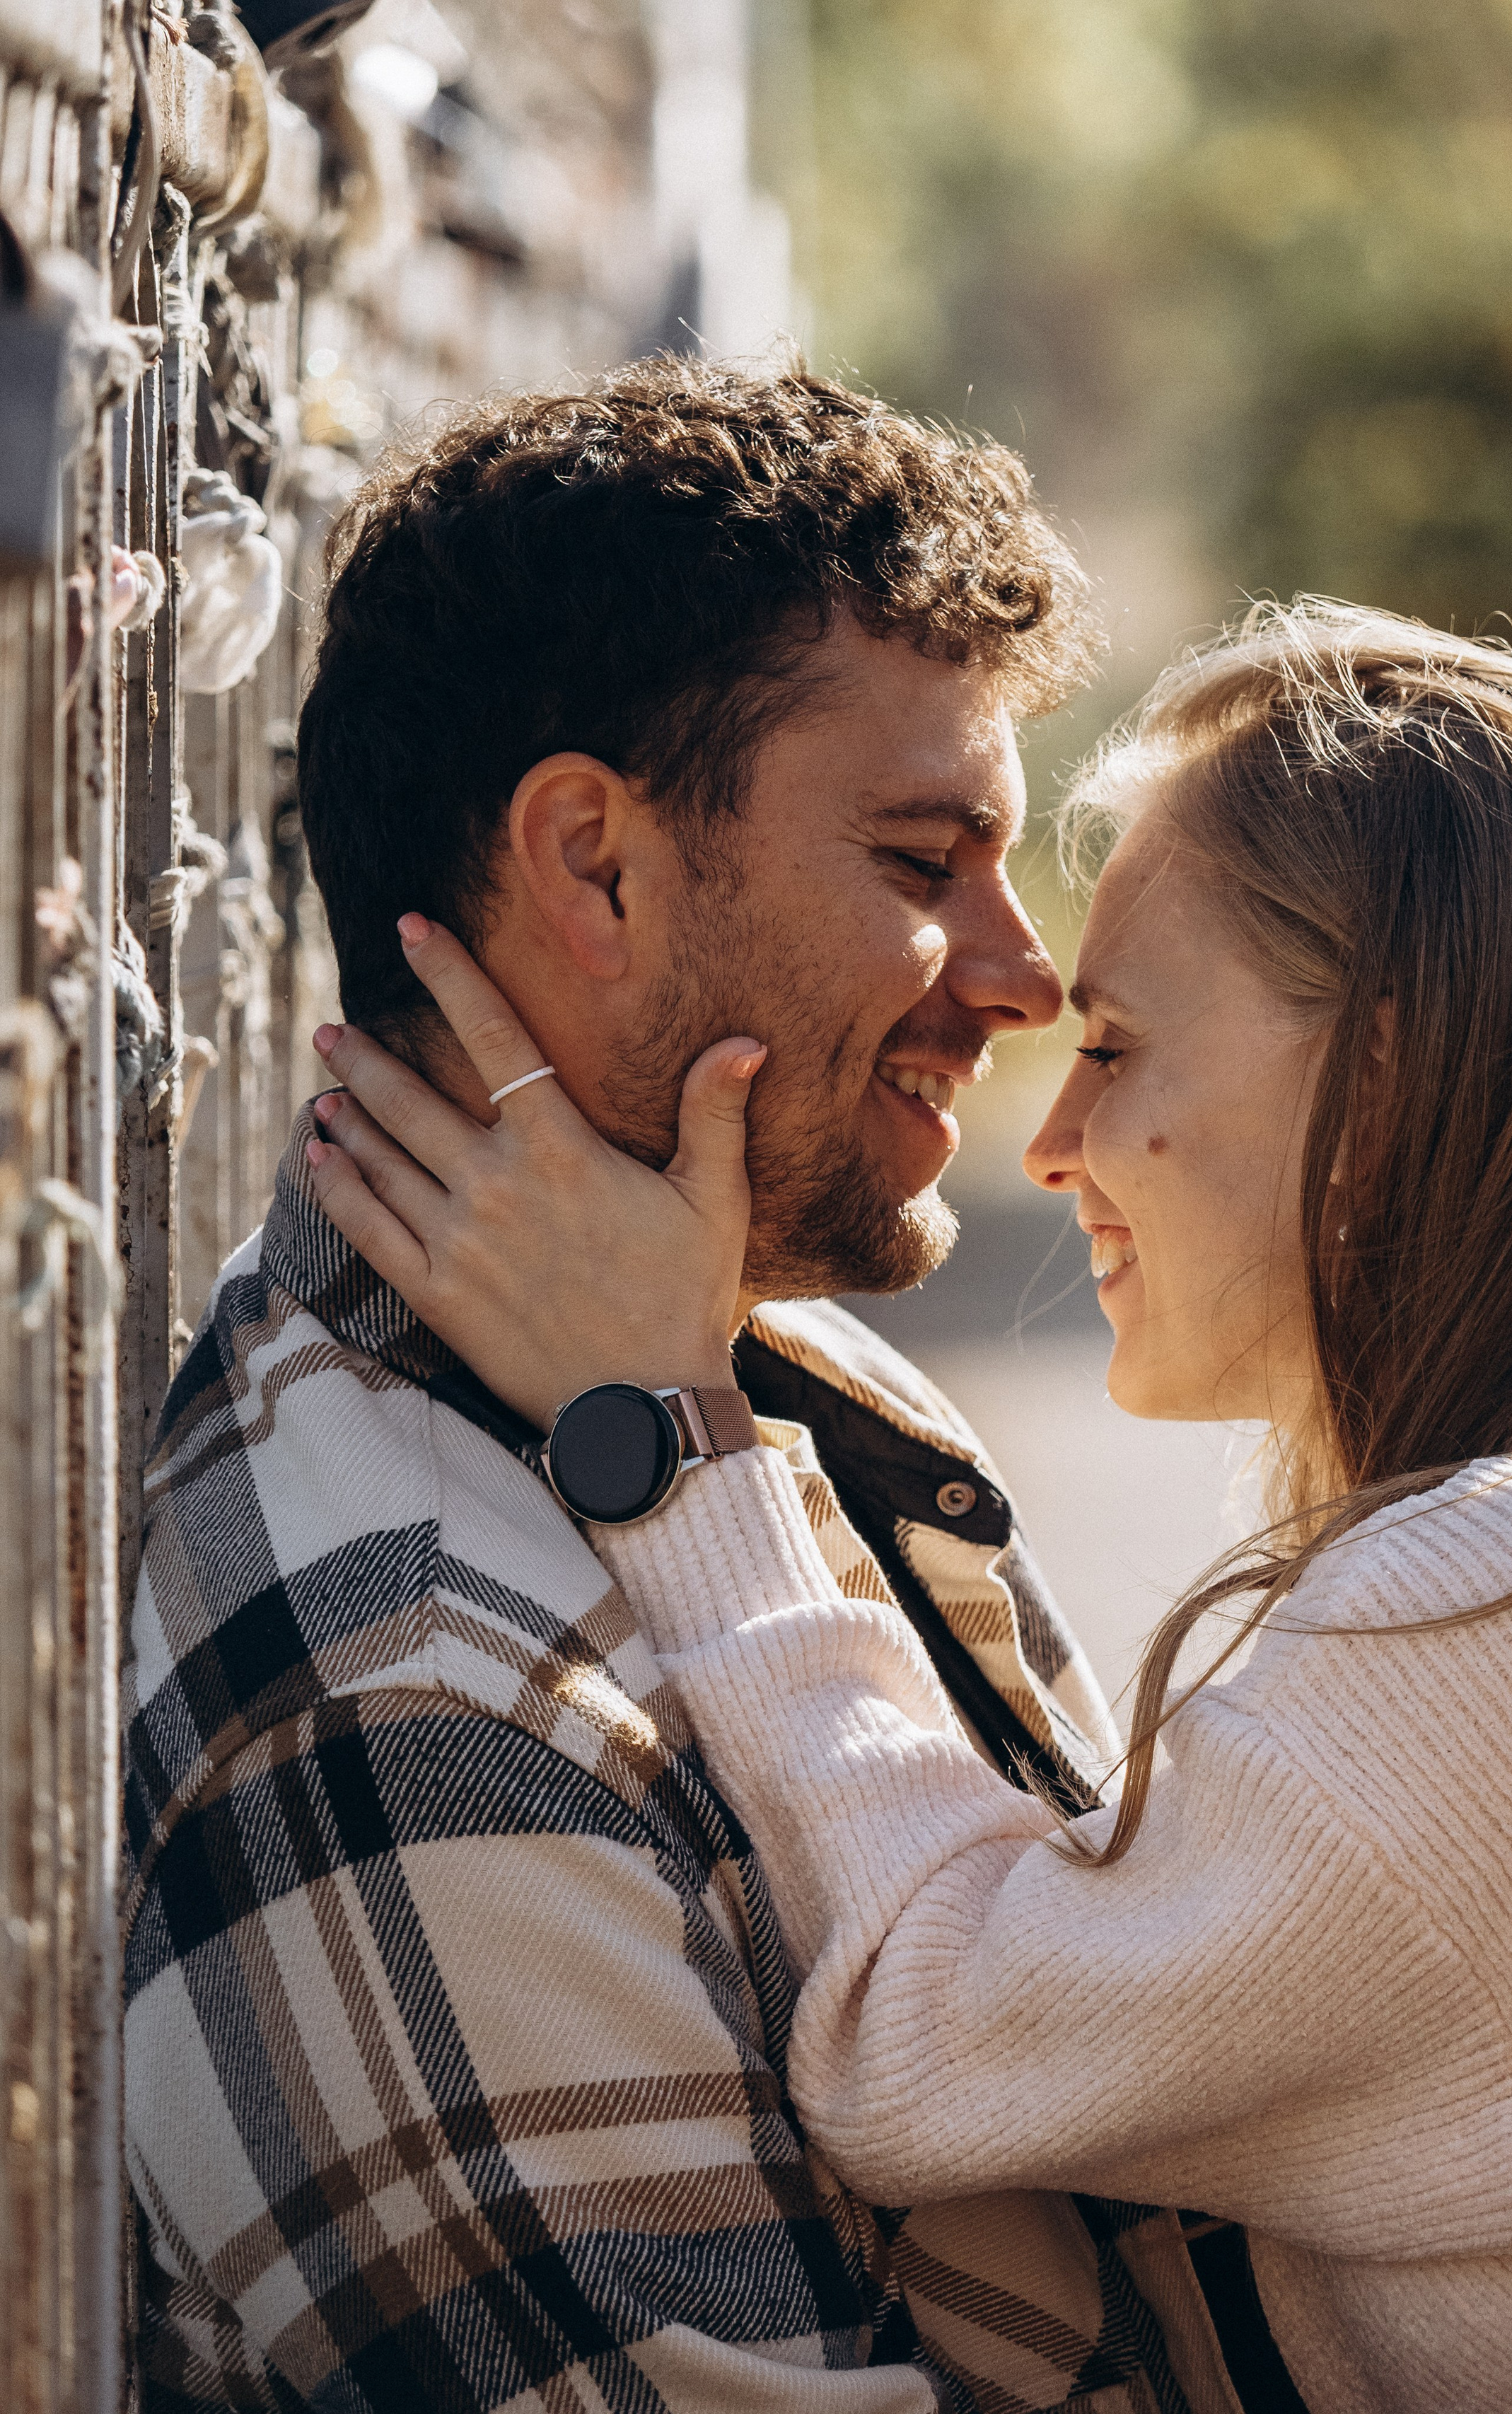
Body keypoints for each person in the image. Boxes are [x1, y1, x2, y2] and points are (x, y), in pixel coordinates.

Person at [311, 598, 1512, 2414]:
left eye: (1112, 1048)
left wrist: (672, 1436)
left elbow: (930, 2045)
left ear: (1385, 1078)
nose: (1048, 1142)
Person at [122, 361, 1222, 2413]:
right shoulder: (401, 1687)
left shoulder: (755, 1356)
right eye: (925, 856)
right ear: (596, 866)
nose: (1023, 968)